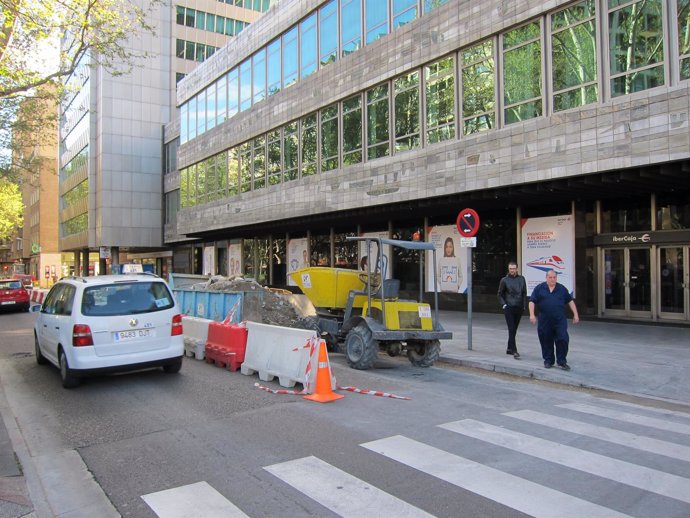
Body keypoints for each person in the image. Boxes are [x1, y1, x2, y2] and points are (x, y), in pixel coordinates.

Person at [529, 269, 579, 370]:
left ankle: (562, 361)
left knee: (563, 338)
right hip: (545, 320)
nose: (552, 279)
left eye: (554, 277)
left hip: (559, 320)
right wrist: (532, 315)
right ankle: (548, 360)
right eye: (550, 277)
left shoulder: (561, 289)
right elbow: (532, 301)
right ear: (546, 278)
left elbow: (570, 301)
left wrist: (576, 314)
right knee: (546, 340)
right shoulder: (539, 288)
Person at [497, 261, 527, 359]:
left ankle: (509, 348)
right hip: (509, 307)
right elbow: (499, 294)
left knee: (514, 329)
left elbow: (524, 293)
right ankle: (514, 350)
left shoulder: (522, 279)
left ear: (517, 269)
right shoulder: (504, 280)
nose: (512, 270)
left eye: (514, 268)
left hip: (519, 307)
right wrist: (504, 305)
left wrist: (524, 306)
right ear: (508, 269)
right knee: (512, 328)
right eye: (511, 269)